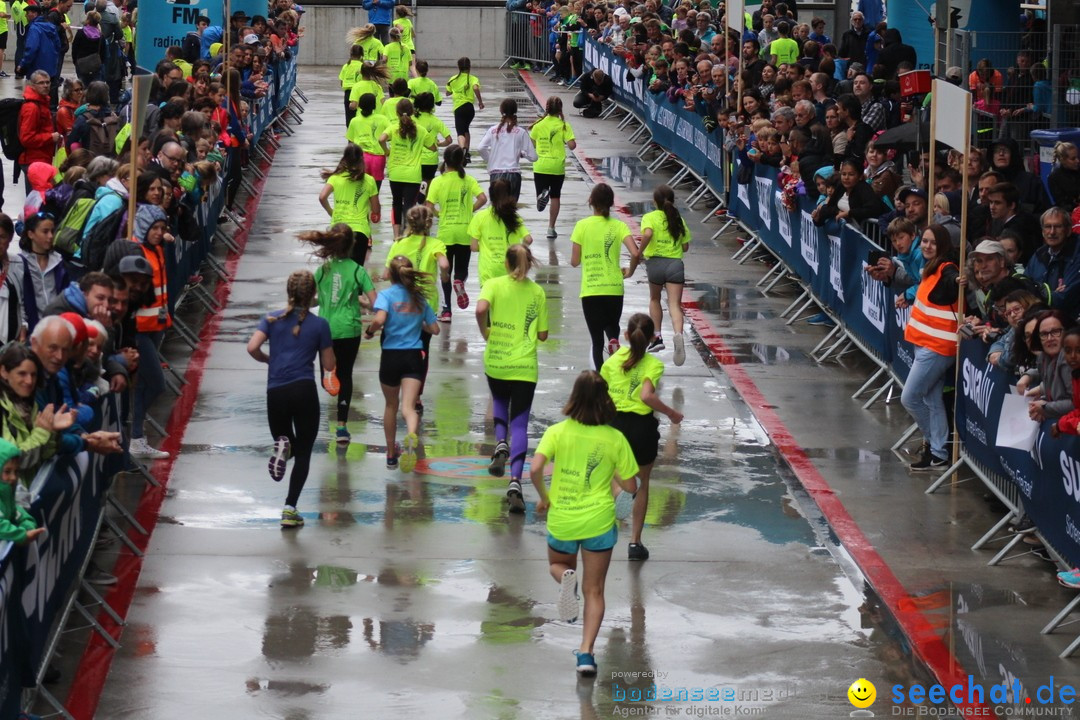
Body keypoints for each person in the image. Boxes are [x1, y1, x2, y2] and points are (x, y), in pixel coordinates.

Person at [530, 370, 638, 676]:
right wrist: (616, 481)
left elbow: (536, 467)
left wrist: (544, 496)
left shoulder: (557, 432)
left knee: (558, 565)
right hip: (599, 522)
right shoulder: (615, 438)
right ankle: (587, 654)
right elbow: (631, 487)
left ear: (574, 397)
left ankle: (567, 579)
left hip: (562, 517)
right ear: (605, 400)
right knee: (595, 591)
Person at [247, 270, 336, 528]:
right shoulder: (320, 325)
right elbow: (329, 365)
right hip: (304, 390)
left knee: (287, 442)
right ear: (313, 295)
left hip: (276, 392)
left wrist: (268, 359)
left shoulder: (272, 318)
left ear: (289, 291)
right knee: (305, 451)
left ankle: (282, 448)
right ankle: (290, 508)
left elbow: (252, 347)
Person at [600, 314, 682, 561]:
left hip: (615, 424)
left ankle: (620, 492)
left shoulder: (612, 362)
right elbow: (647, 396)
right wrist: (671, 413)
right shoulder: (653, 365)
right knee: (642, 482)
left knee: (615, 472)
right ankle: (635, 543)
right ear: (650, 339)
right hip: (641, 427)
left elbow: (601, 395)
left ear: (626, 336)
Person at [476, 244, 548, 514]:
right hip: (524, 366)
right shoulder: (537, 292)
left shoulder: (493, 285)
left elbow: (480, 309)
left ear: (506, 264)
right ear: (528, 264)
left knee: (498, 401)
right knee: (520, 422)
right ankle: (515, 483)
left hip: (496, 360)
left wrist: (486, 332)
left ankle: (500, 444)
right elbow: (542, 335)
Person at [300, 225, 376, 446]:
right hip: (350, 328)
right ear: (352, 245)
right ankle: (342, 428)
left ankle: (327, 374)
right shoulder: (357, 270)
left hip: (325, 329)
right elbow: (375, 302)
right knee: (347, 375)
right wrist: (362, 304)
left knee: (330, 376)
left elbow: (312, 299)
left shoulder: (323, 270)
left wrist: (308, 305)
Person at [366, 256, 440, 472]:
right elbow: (435, 329)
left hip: (391, 356)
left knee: (391, 405)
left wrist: (370, 331)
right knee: (409, 407)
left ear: (391, 274)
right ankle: (410, 437)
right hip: (414, 356)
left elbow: (379, 320)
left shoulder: (386, 296)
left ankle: (390, 454)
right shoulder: (419, 299)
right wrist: (418, 325)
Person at [901, 224, 959, 472]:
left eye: (932, 242)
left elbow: (951, 284)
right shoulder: (929, 268)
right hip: (925, 343)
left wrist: (958, 281)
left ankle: (936, 445)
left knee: (910, 398)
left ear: (943, 245)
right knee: (933, 401)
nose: (926, 246)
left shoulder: (947, 270)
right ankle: (937, 453)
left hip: (936, 347)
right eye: (924, 241)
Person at [384, 205, 448, 410]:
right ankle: (416, 396)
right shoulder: (436, 243)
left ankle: (399, 386)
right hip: (425, 305)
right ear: (429, 223)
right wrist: (445, 276)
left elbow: (386, 274)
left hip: (400, 304)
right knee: (422, 351)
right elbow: (445, 265)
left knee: (399, 343)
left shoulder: (398, 244)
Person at [571, 183, 640, 371]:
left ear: (591, 201)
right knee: (612, 325)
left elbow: (575, 261)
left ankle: (601, 380)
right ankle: (613, 340)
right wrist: (631, 271)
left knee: (595, 340)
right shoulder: (619, 226)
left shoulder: (581, 226)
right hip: (613, 287)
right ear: (611, 203)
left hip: (592, 288)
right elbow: (635, 253)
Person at [426, 144, 485, 322]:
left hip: (445, 233)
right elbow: (483, 198)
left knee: (445, 272)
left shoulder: (438, 181)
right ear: (461, 161)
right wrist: (470, 210)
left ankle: (446, 311)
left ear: (445, 160)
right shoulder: (468, 180)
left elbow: (429, 206)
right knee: (461, 270)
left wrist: (439, 214)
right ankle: (459, 282)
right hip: (464, 231)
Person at [639, 185, 690, 366]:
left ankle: (658, 337)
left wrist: (639, 252)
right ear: (673, 200)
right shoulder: (678, 219)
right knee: (674, 304)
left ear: (654, 201)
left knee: (655, 299)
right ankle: (678, 334)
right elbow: (685, 247)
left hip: (655, 264)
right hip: (675, 264)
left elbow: (648, 233)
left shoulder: (649, 217)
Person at [379, 99, 435, 239]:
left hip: (395, 173)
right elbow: (433, 148)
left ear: (397, 113)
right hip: (413, 175)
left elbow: (381, 139)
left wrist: (387, 151)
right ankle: (407, 233)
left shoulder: (393, 128)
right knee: (409, 205)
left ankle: (396, 235)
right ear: (413, 112)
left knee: (396, 203)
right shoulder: (421, 130)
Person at [318, 143, 380, 266]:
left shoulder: (335, 178)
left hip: (338, 229)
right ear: (362, 159)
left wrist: (331, 212)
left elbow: (322, 197)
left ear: (344, 158)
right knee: (356, 269)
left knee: (338, 268)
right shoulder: (369, 181)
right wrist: (376, 212)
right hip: (360, 231)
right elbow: (375, 208)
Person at [10, 211, 69, 333]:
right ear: (31, 234)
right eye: (45, 231)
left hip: (58, 327)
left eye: (52, 231)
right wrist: (23, 327)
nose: (50, 236)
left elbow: (65, 295)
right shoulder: (20, 263)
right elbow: (18, 301)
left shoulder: (59, 262)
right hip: (32, 331)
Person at [469, 178, 532, 288]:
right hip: (511, 268)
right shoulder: (514, 218)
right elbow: (528, 239)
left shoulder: (480, 217)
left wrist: (484, 247)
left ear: (491, 195)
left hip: (488, 270)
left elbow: (473, 247)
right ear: (509, 195)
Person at [529, 96, 577, 240]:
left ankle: (540, 196)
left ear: (547, 108)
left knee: (541, 192)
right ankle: (551, 228)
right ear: (560, 109)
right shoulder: (563, 125)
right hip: (557, 166)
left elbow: (532, 143)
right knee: (555, 196)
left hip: (541, 165)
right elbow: (572, 145)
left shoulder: (538, 125)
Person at [1017, 310, 1072, 423]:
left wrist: (1045, 408)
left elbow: (1076, 403)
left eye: (1056, 331)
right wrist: (1030, 375)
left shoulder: (1070, 359)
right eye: (1044, 334)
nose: (1049, 338)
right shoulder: (1043, 357)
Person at [476, 98, 536, 204]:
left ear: (501, 111)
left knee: (496, 209)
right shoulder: (521, 132)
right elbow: (534, 157)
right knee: (510, 210)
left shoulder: (492, 131)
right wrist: (522, 154)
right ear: (515, 111)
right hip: (513, 174)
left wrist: (490, 160)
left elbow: (481, 148)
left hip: (496, 174)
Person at [346, 92, 390, 192]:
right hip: (378, 158)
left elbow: (350, 142)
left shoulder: (354, 121)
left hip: (360, 158)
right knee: (375, 191)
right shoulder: (383, 119)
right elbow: (391, 134)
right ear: (374, 106)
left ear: (360, 105)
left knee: (359, 190)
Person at [446, 57, 483, 161]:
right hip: (470, 108)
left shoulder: (453, 79)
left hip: (459, 108)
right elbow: (475, 88)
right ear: (469, 67)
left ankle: (462, 151)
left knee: (460, 131)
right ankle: (467, 151)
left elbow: (448, 92)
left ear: (458, 67)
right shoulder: (473, 78)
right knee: (466, 129)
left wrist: (453, 91)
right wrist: (480, 101)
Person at [412, 92, 452, 184]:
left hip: (414, 159)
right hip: (431, 161)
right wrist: (439, 144)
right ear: (432, 106)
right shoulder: (436, 121)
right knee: (428, 191)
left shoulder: (412, 119)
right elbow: (449, 140)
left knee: (415, 189)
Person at [1048, 141, 1080, 211]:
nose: (1077, 161)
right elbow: (1062, 203)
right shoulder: (1054, 177)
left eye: (1077, 157)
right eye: (1073, 159)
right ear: (1063, 160)